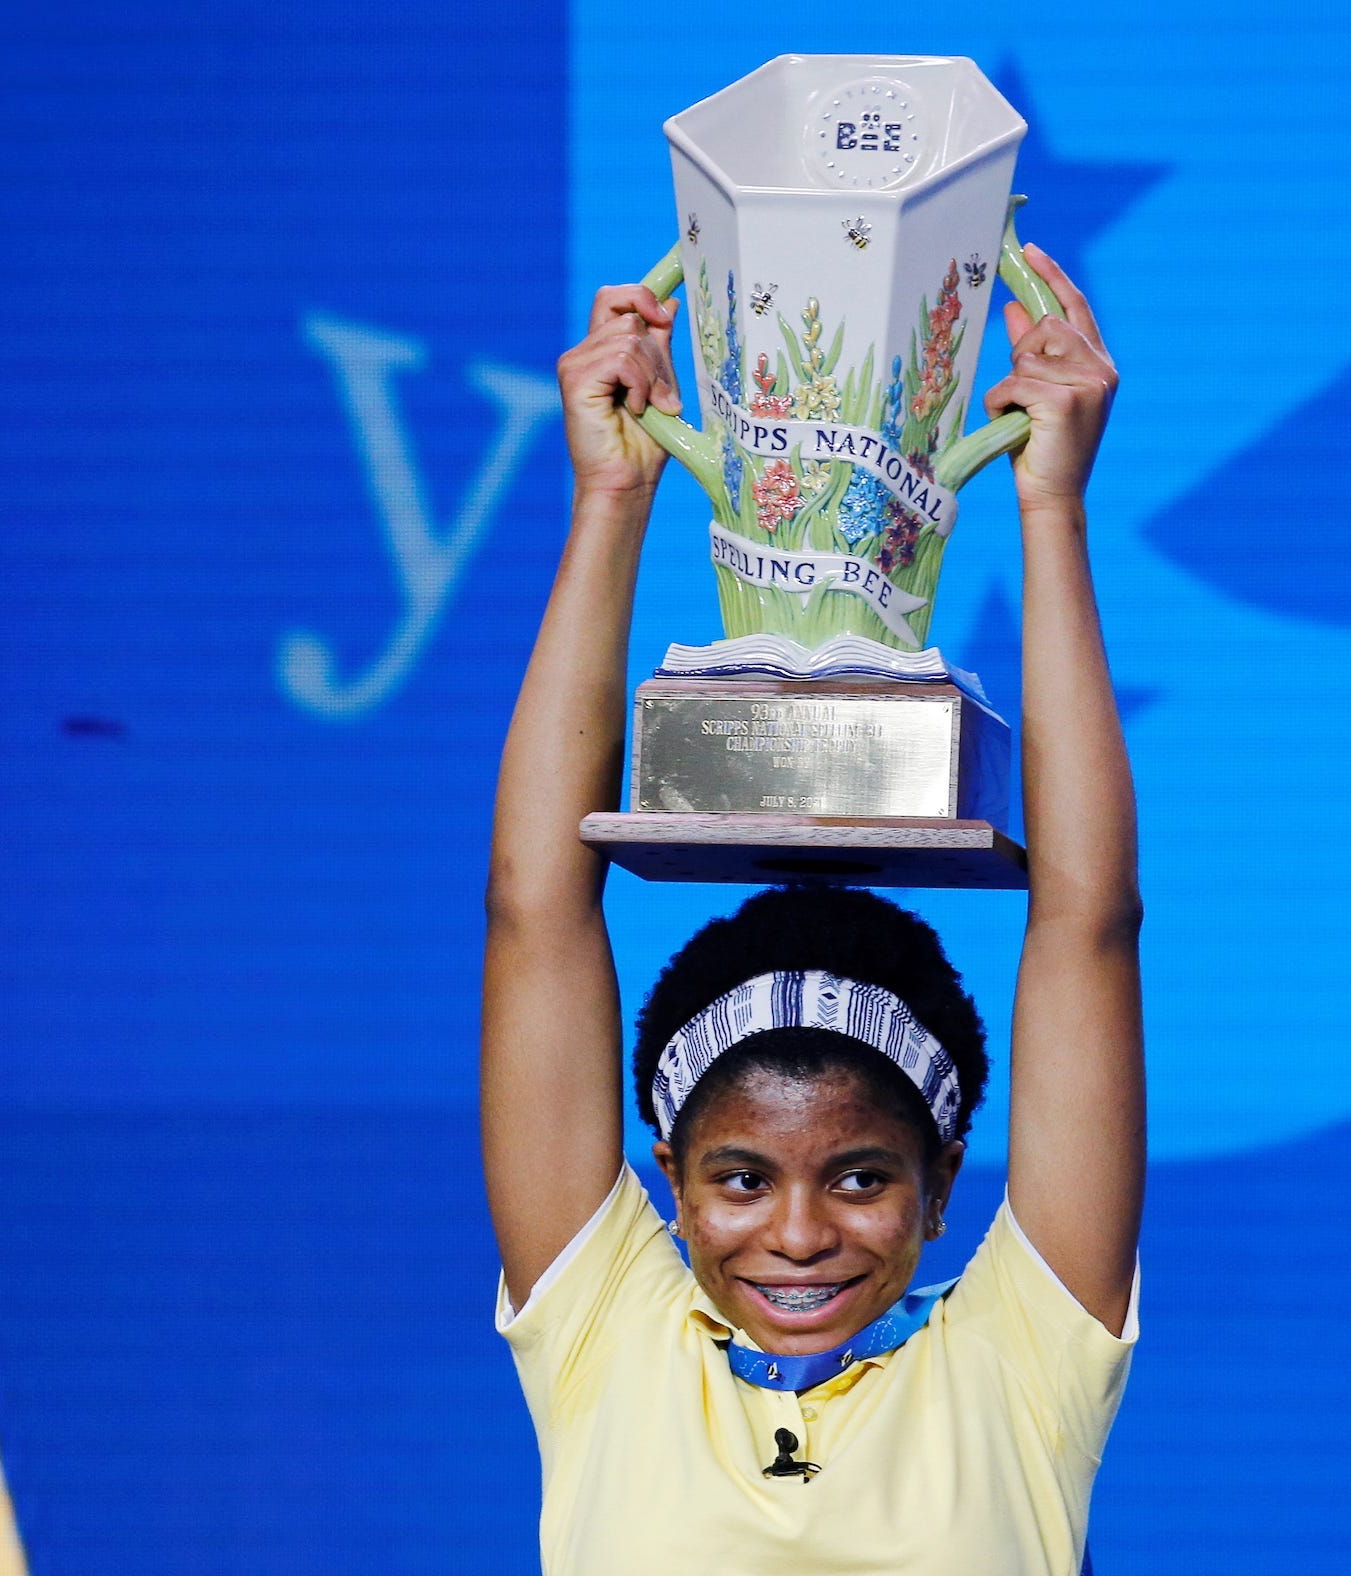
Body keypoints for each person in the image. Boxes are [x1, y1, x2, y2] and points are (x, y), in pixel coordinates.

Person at [481, 244, 1142, 1575]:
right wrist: (611, 496)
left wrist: (1052, 512)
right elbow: (532, 910)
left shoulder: (1020, 1370)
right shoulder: (605, 1338)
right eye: (739, 1177)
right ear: (664, 1176)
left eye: (858, 1176)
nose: (795, 1233)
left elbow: (1088, 925)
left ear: (942, 1183)